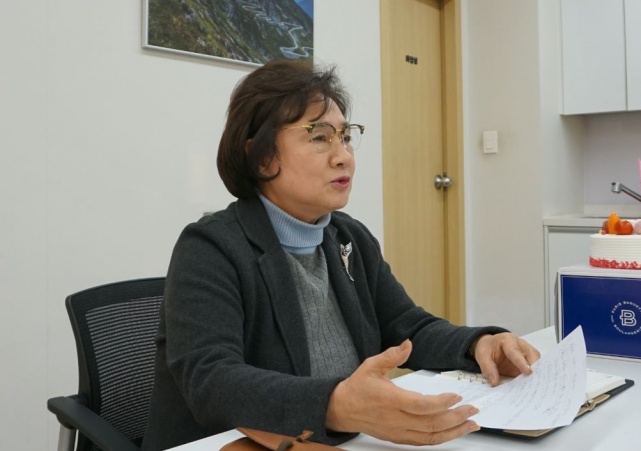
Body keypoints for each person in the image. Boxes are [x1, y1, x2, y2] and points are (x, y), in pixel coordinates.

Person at [142, 59, 540, 451]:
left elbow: (408, 328)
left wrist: (477, 344)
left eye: (346, 137)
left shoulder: (348, 237)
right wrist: (335, 405)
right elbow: (212, 381)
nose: (343, 155)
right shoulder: (211, 247)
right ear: (261, 157)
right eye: (320, 138)